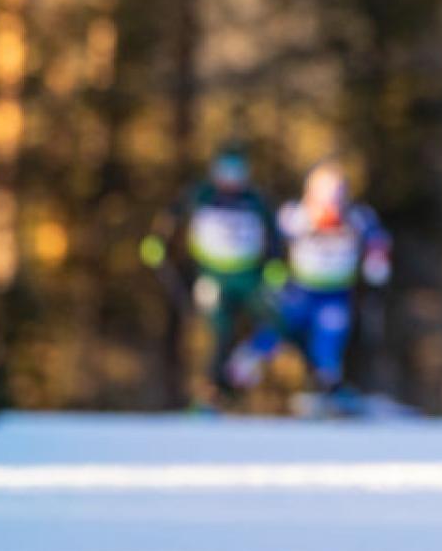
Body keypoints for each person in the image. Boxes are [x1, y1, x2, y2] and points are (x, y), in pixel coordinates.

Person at [228, 162, 390, 400]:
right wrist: (272, 268)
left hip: (336, 293)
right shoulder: (296, 216)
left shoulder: (357, 217)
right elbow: (270, 239)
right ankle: (238, 371)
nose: (332, 206)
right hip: (299, 289)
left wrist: (376, 262)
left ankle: (329, 386)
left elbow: (377, 240)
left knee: (330, 339)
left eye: (337, 196)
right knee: (277, 327)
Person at [140, 144, 279, 404]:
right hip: (212, 275)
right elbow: (172, 213)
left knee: (275, 322)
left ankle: (242, 365)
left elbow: (273, 232)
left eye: (237, 172)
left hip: (249, 275)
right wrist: (158, 240)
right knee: (218, 331)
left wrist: (274, 263)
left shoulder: (255, 199)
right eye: (226, 171)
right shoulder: (202, 194)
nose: (231, 178)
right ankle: (211, 391)